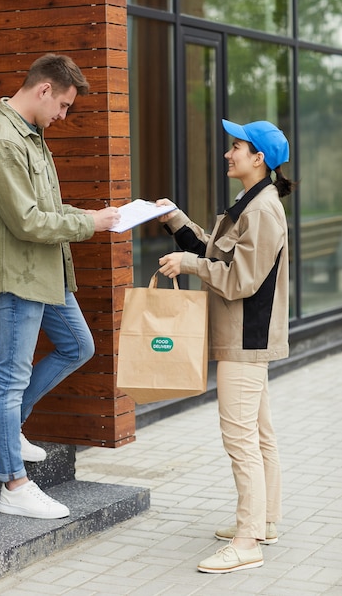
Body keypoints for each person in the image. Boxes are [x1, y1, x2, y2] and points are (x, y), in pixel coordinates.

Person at [0, 53, 120, 519]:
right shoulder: (2, 141)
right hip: (19, 274)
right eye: (64, 106)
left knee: (78, 345)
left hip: (45, 271)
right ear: (43, 90)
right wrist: (89, 223)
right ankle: (13, 485)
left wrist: (97, 216)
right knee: (9, 377)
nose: (63, 116)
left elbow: (45, 208)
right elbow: (28, 222)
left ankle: (3, 431)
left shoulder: (31, 135)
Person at [157, 119, 293, 573]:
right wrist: (177, 221)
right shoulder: (250, 203)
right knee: (258, 435)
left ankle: (247, 540)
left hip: (244, 339)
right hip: (243, 336)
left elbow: (240, 280)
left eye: (236, 147)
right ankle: (265, 520)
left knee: (241, 440)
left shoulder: (262, 211)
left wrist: (189, 264)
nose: (227, 153)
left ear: (259, 159)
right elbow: (219, 255)